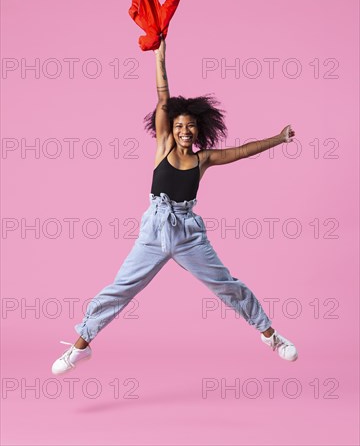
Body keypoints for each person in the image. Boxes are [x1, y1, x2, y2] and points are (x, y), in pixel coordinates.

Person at [51, 36, 298, 374]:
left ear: (198, 131)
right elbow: (163, 97)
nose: (183, 130)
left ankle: (271, 336)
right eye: (179, 125)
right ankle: (80, 346)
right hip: (154, 229)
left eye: (189, 126)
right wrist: (160, 58)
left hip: (188, 234)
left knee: (226, 285)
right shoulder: (164, 144)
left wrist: (279, 138)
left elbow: (242, 151)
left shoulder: (203, 159)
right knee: (121, 288)